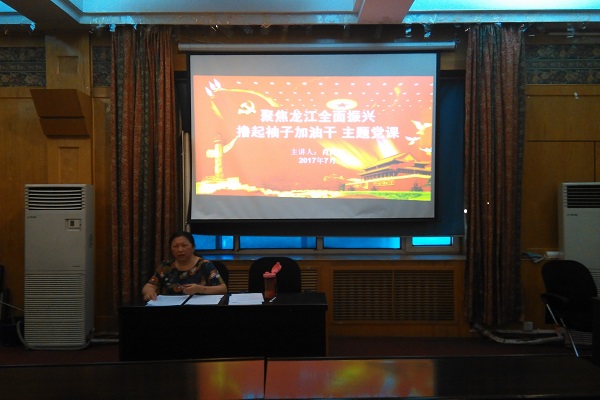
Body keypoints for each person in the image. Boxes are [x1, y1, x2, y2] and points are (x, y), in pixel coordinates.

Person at [142, 231, 227, 301]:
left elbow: (223, 289)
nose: (180, 250)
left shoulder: (205, 265)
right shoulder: (166, 266)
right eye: (175, 246)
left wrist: (200, 289)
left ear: (193, 247)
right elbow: (150, 285)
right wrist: (149, 292)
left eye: (184, 245)